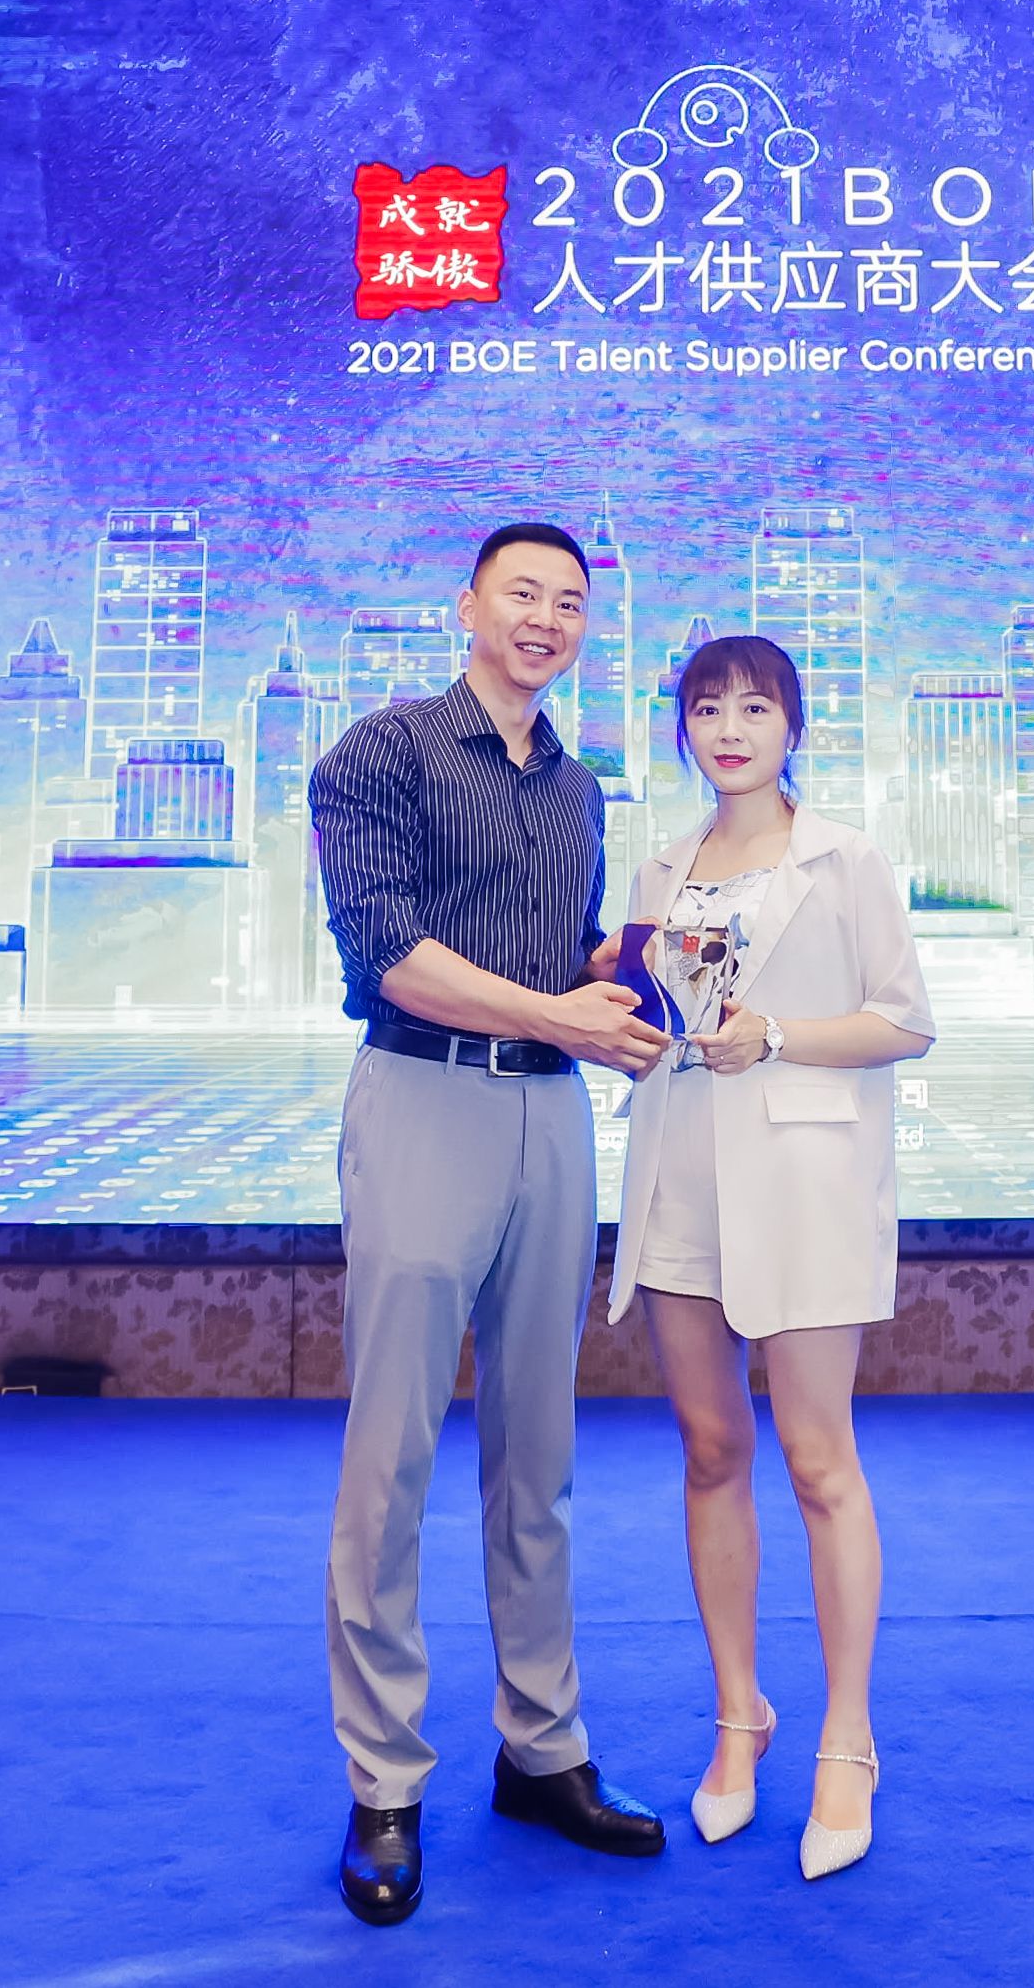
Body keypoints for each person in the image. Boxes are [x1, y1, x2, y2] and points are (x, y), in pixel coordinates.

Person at [307, 520, 673, 1928]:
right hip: (422, 1095)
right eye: (523, 592)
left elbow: (556, 956)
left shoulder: (578, 786)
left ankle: (542, 1747)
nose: (546, 618)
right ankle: (385, 1778)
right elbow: (388, 950)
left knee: (542, 1453)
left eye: (570, 602)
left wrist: (644, 964)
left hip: (550, 1117)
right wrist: (559, 1013)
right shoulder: (381, 751)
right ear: (467, 604)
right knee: (391, 1455)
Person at [604, 632, 935, 1882]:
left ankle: (848, 1737)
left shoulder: (844, 858)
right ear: (682, 727)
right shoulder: (661, 865)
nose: (730, 729)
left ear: (793, 725)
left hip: (802, 1183)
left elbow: (903, 1019)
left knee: (817, 1460)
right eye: (707, 708)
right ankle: (739, 1714)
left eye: (754, 707)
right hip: (679, 1175)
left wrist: (779, 1035)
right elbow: (649, 1010)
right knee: (709, 1450)